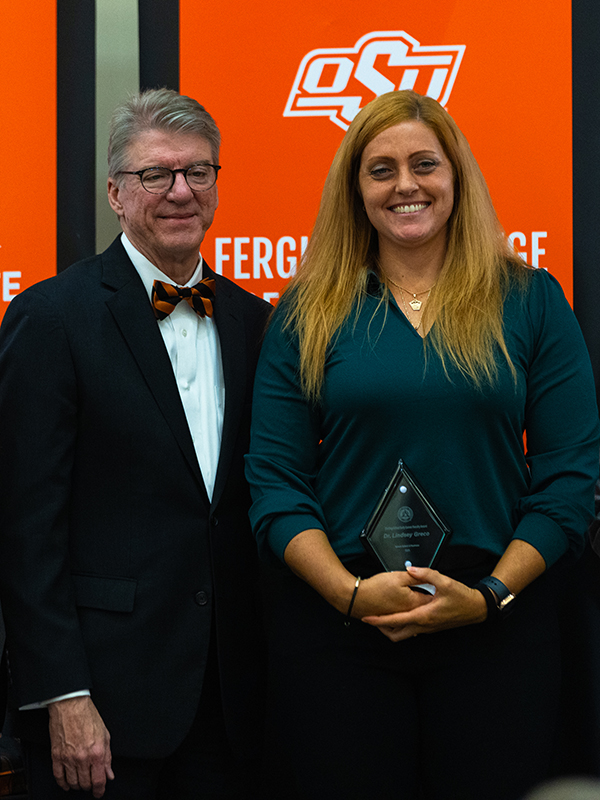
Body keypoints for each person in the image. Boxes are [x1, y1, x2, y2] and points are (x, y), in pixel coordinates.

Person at [245, 89, 600, 800]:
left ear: (457, 176)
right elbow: (276, 482)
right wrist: (349, 596)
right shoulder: (305, 312)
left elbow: (568, 475)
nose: (405, 185)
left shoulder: (530, 299)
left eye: (424, 164)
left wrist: (492, 595)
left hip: (496, 622)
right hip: (342, 628)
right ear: (356, 191)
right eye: (380, 170)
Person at [0, 89, 272, 799]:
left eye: (199, 173)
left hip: (232, 708)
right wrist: (62, 695)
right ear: (116, 194)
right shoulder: (52, 318)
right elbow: (26, 529)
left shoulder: (256, 323)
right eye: (157, 174)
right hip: (101, 711)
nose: (181, 191)